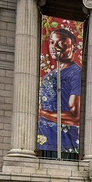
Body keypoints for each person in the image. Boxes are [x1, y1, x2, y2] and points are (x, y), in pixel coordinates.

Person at [36, 25, 82, 156]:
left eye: (61, 43)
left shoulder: (75, 73)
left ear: (73, 46)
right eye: (51, 42)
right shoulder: (50, 75)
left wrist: (41, 112)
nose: (54, 47)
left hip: (65, 142)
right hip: (45, 141)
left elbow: (75, 117)